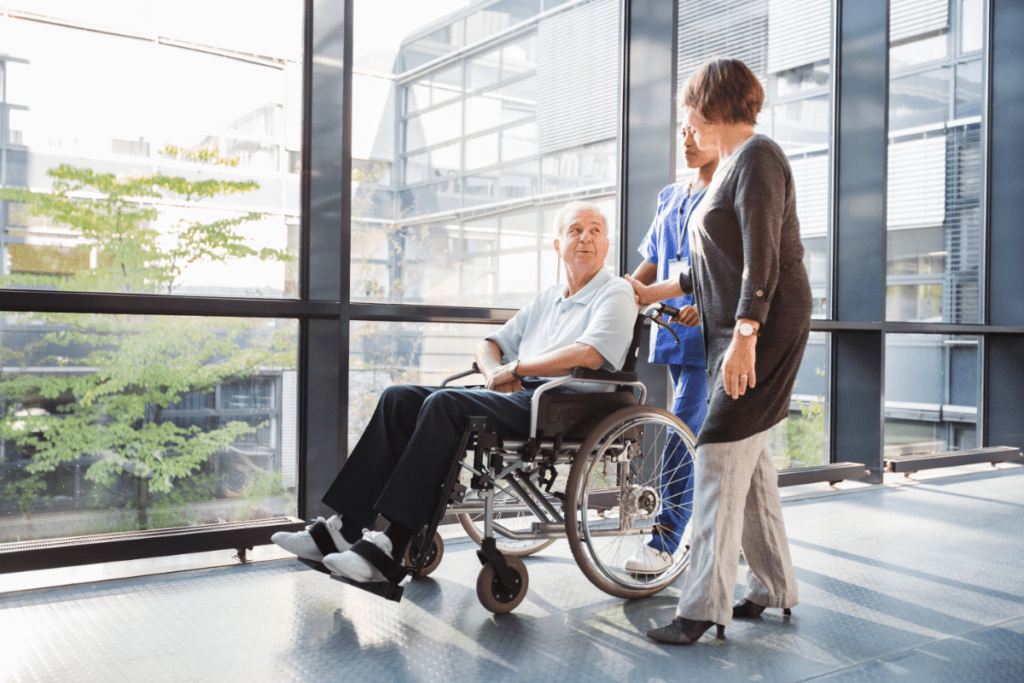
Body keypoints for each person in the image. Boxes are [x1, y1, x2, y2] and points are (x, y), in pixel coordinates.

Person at [272, 201, 637, 589]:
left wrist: (517, 369)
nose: (586, 238)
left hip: (564, 404)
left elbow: (591, 354)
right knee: (400, 398)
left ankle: (391, 545)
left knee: (445, 405)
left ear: (607, 244)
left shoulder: (615, 293)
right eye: (576, 230)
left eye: (596, 230)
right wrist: (494, 371)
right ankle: (343, 529)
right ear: (557, 245)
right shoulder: (549, 298)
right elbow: (489, 343)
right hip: (521, 395)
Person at [628, 58, 812, 645]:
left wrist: (744, 336)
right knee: (749, 468)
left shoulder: (758, 157)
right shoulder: (733, 165)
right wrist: (675, 298)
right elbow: (715, 263)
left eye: (690, 108)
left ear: (712, 104)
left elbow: (762, 256)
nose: (687, 120)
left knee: (713, 461)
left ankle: (703, 607)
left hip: (761, 334)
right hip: (729, 331)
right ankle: (774, 587)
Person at [619, 123, 719, 573]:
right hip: (672, 329)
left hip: (710, 332)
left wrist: (703, 300)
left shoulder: (727, 194)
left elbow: (726, 266)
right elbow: (655, 260)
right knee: (707, 437)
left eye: (696, 131)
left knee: (682, 428)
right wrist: (623, 289)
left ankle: (664, 540)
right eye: (681, 132)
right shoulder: (670, 197)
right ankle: (718, 531)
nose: (686, 141)